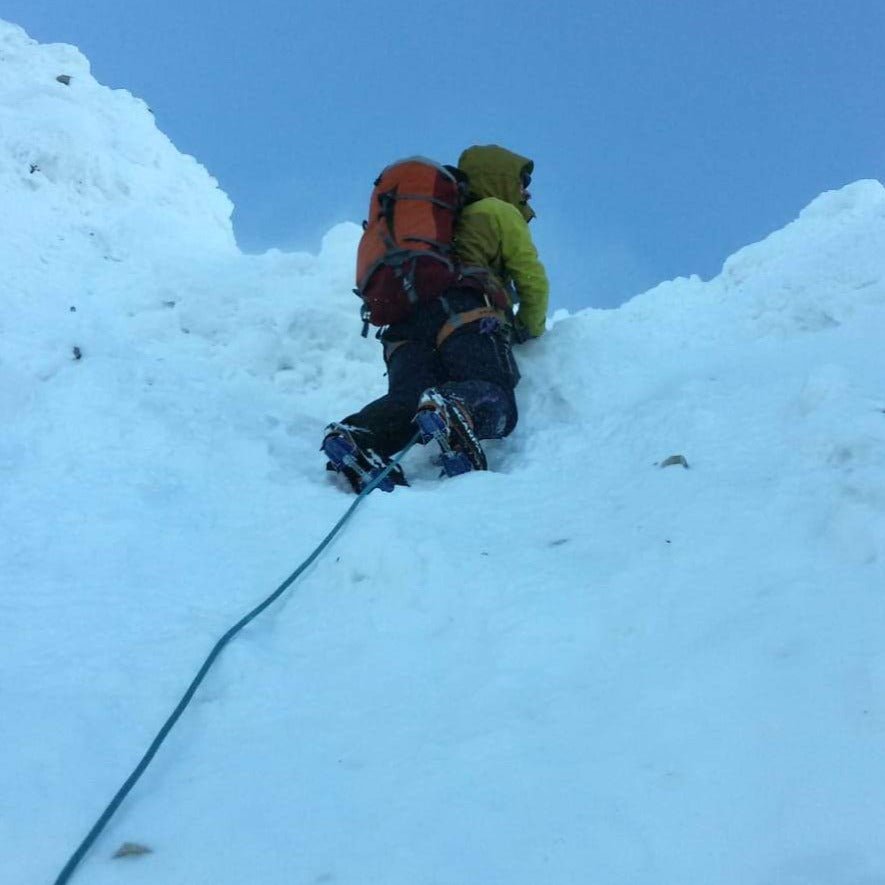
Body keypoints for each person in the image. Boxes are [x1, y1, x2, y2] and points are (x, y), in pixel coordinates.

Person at [322, 144, 549, 492]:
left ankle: (360, 437)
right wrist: (529, 329)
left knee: (409, 400)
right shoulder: (497, 211)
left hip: (402, 324)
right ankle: (455, 408)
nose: (526, 191)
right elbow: (531, 276)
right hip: (464, 314)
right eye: (521, 182)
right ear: (499, 178)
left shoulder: (434, 226)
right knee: (493, 390)